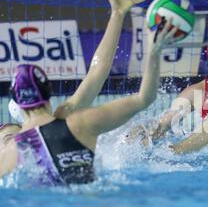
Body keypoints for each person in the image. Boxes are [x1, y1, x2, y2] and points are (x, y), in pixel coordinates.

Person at [0, 14, 180, 184]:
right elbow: (143, 98)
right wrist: (153, 50)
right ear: (49, 96)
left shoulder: (10, 155)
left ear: (20, 106)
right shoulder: (79, 123)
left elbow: (97, 71)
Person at [1, 0, 146, 144]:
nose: (18, 141)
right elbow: (97, 73)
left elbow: (97, 73)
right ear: (48, 102)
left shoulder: (61, 124)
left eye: (14, 136)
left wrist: (118, 15)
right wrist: (117, 14)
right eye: (9, 139)